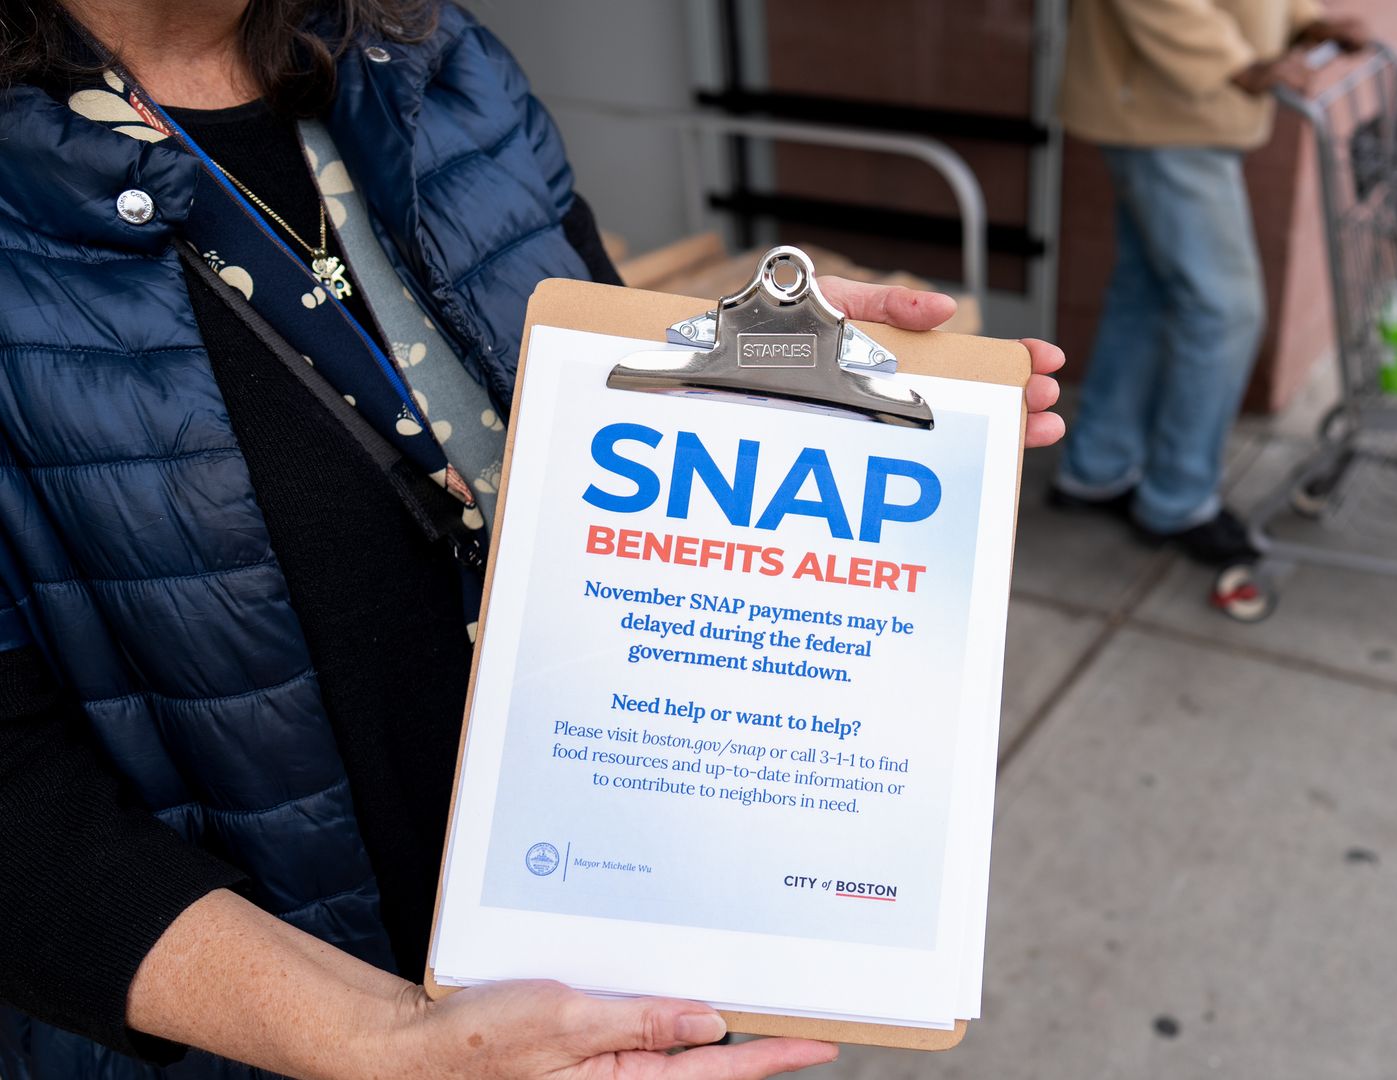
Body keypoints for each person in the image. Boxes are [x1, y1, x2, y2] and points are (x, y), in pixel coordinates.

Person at [0, 2, 1065, 1077]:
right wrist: (378, 1044)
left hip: (607, 925)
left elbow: (593, 383)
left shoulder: (420, 50)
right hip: (269, 1030)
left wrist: (769, 392)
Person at [1051, 0, 1367, 565]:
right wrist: (1235, 64)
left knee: (1146, 290)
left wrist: (1302, 19)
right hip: (1168, 107)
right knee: (1225, 310)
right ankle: (1177, 500)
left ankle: (1097, 465)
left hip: (1173, 107)